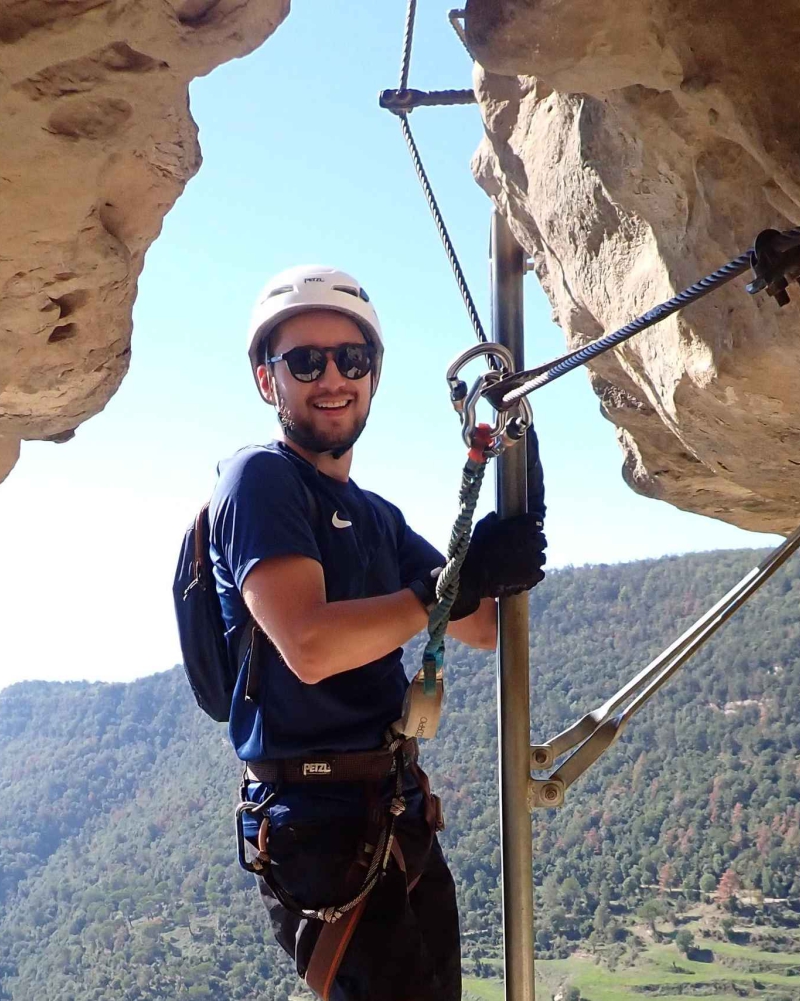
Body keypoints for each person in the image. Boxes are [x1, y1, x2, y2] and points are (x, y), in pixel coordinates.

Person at [207, 264, 547, 1001]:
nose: (333, 376)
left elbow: (483, 627)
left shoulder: (376, 516)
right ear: (269, 380)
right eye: (306, 360)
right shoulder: (259, 482)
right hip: (319, 830)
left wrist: (504, 538)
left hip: (393, 812)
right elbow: (310, 645)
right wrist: (445, 583)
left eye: (351, 359)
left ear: (373, 374)